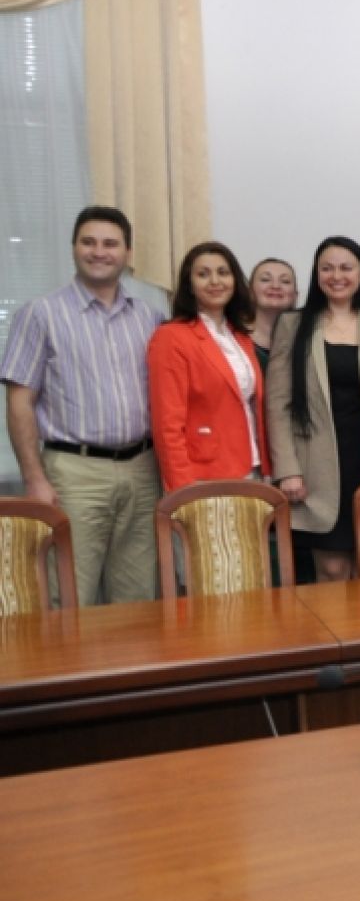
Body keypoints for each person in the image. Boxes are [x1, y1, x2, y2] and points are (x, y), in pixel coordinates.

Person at [0, 206, 165, 605]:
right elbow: (19, 402)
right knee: (69, 596)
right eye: (88, 242)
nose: (99, 252)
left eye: (110, 243)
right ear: (73, 247)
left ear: (127, 252)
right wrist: (34, 479)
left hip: (143, 471)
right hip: (75, 474)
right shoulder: (40, 314)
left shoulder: (151, 318)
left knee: (138, 598)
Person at [266, 237, 360, 582]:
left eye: (346, 268)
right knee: (332, 569)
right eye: (327, 268)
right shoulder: (292, 326)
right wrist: (287, 469)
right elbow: (277, 404)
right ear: (317, 274)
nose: (336, 276)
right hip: (316, 468)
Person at [147, 242, 270, 491]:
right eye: (203, 274)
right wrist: (182, 489)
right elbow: (167, 425)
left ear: (235, 281)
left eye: (223, 273)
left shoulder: (240, 336)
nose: (215, 281)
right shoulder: (172, 337)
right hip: (202, 476)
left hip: (251, 467)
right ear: (189, 285)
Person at [248, 258, 298, 373]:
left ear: (295, 295)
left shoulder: (307, 341)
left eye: (285, 281)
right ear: (250, 291)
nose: (275, 286)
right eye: (265, 280)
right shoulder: (232, 339)